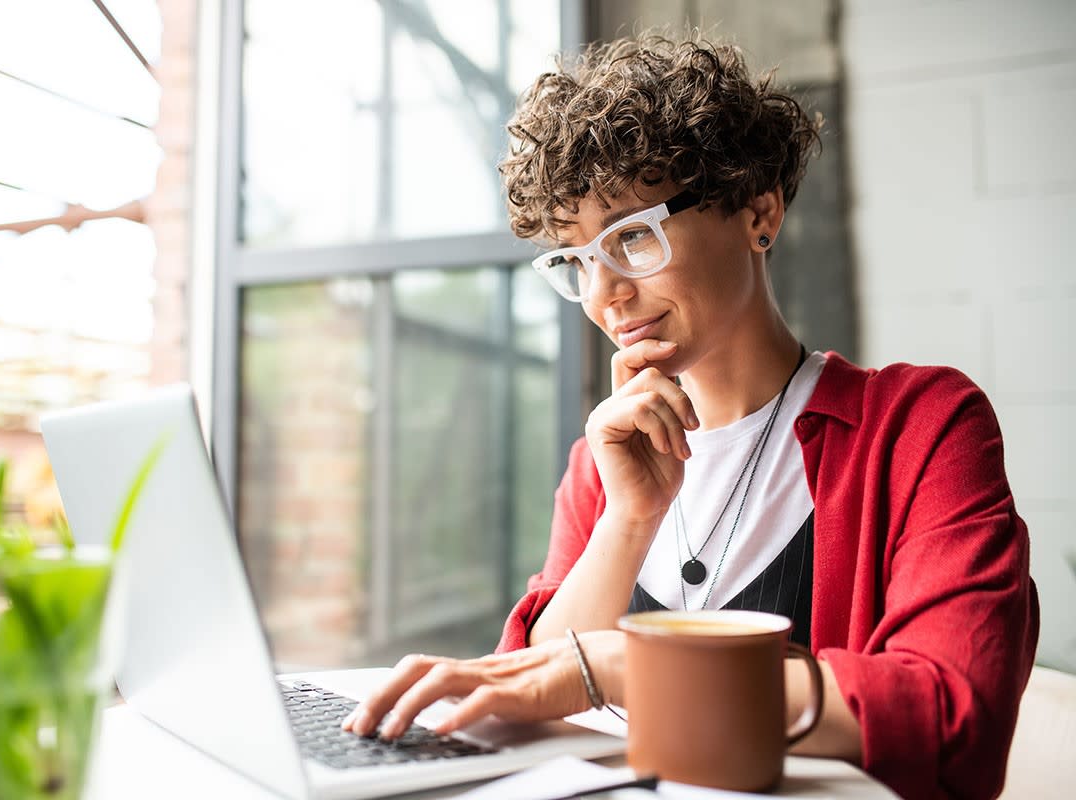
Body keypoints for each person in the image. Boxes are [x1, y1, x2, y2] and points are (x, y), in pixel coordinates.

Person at [342, 31, 1038, 799]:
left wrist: (625, 668)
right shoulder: (603, 462)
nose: (604, 294)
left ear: (758, 212)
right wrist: (628, 521)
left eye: (631, 236)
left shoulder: (919, 428)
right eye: (576, 258)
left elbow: (951, 717)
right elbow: (536, 682)